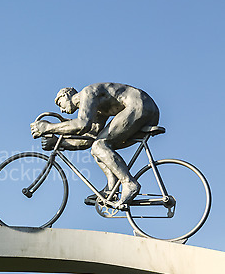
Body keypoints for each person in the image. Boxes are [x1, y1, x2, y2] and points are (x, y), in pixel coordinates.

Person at [30, 83, 160, 209]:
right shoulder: (96, 107)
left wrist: (48, 127)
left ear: (66, 95)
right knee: (97, 149)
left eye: (60, 103)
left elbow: (82, 125)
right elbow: (88, 139)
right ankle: (111, 190)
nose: (61, 110)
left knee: (100, 146)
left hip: (138, 105)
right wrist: (57, 143)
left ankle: (129, 183)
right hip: (146, 108)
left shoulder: (88, 93)